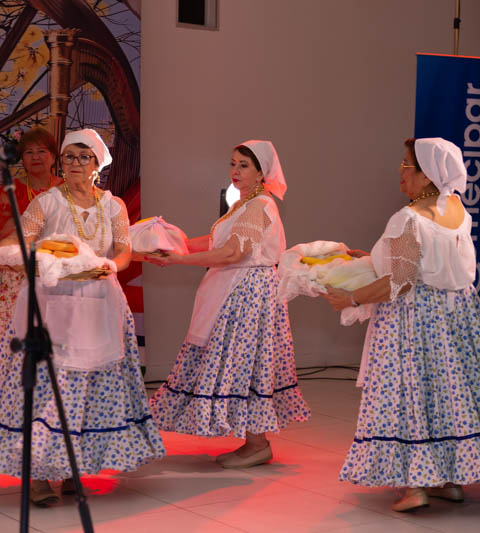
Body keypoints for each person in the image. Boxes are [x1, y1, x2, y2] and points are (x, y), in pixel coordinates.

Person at [323, 137, 480, 512]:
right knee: (449, 395)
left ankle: (415, 485)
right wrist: (373, 257)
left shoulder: (408, 217)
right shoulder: (458, 210)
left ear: (428, 174)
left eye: (407, 165)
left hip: (414, 319)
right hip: (457, 316)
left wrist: (350, 298)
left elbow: (400, 281)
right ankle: (448, 479)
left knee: (411, 396)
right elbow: (423, 262)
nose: (401, 171)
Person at [0, 128, 165, 506]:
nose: (74, 164)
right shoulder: (46, 202)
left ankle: (75, 467)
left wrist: (105, 267)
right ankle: (40, 475)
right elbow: (21, 242)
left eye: (83, 157)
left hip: (100, 302)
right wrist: (37, 256)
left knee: (90, 392)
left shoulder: (114, 205)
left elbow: (123, 251)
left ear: (97, 164)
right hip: (52, 305)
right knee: (48, 390)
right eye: (69, 157)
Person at [148, 140, 310, 468]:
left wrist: (177, 259)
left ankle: (257, 443)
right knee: (242, 361)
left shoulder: (259, 205)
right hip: (236, 290)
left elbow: (232, 253)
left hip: (249, 294)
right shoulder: (244, 204)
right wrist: (172, 241)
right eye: (232, 164)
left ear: (262, 172)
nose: (235, 171)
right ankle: (255, 441)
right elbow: (216, 242)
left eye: (243, 165)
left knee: (246, 361)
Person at [0, 128, 63, 332]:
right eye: (29, 152)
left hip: (61, 270)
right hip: (19, 273)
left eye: (41, 151)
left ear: (53, 157)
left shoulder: (68, 189)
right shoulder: (10, 191)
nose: (35, 157)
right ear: (22, 159)